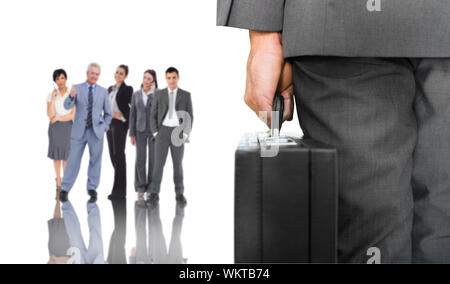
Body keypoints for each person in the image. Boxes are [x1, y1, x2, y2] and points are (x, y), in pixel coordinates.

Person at [217, 0, 450, 263]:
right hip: (342, 31)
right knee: (375, 234)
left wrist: (263, 31)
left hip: (337, 26)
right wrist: (263, 34)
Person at [60, 63, 112, 203]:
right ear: (87, 73)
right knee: (73, 161)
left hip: (96, 132)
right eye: (92, 73)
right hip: (79, 132)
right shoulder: (77, 88)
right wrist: (71, 97)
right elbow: (66, 106)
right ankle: (65, 189)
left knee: (95, 161)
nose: (94, 76)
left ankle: (92, 189)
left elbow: (108, 113)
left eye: (97, 74)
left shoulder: (103, 91)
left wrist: (105, 127)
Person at [149, 67, 193, 207]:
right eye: (169, 78)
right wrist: (156, 132)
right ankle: (154, 193)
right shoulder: (159, 94)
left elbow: (190, 115)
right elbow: (153, 115)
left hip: (177, 132)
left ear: (178, 77)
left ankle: (179, 194)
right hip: (162, 132)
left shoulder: (185, 95)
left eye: (174, 77)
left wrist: (185, 134)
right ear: (165, 79)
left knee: (177, 165)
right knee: (158, 165)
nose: (171, 80)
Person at [129, 70, 158, 201]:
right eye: (145, 77)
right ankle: (140, 188)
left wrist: (152, 93)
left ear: (153, 81)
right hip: (139, 130)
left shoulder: (157, 94)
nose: (146, 80)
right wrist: (132, 134)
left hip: (153, 131)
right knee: (140, 159)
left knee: (153, 160)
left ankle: (151, 189)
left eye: (149, 79)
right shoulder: (136, 94)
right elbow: (132, 115)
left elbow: (158, 110)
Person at [47, 69, 75, 199]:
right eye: (57, 79)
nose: (60, 81)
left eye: (62, 78)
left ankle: (66, 182)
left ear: (66, 79)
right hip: (55, 129)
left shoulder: (72, 94)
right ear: (55, 81)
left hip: (67, 127)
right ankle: (58, 180)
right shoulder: (51, 94)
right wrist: (52, 99)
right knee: (56, 156)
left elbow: (72, 115)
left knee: (66, 156)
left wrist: (58, 118)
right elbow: (50, 114)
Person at [107, 65, 133, 200]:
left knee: (119, 155)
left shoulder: (127, 89)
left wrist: (122, 117)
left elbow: (132, 108)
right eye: (117, 72)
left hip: (119, 124)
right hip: (109, 124)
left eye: (121, 73)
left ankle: (119, 191)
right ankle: (119, 187)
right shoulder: (110, 89)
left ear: (125, 76)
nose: (118, 75)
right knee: (112, 156)